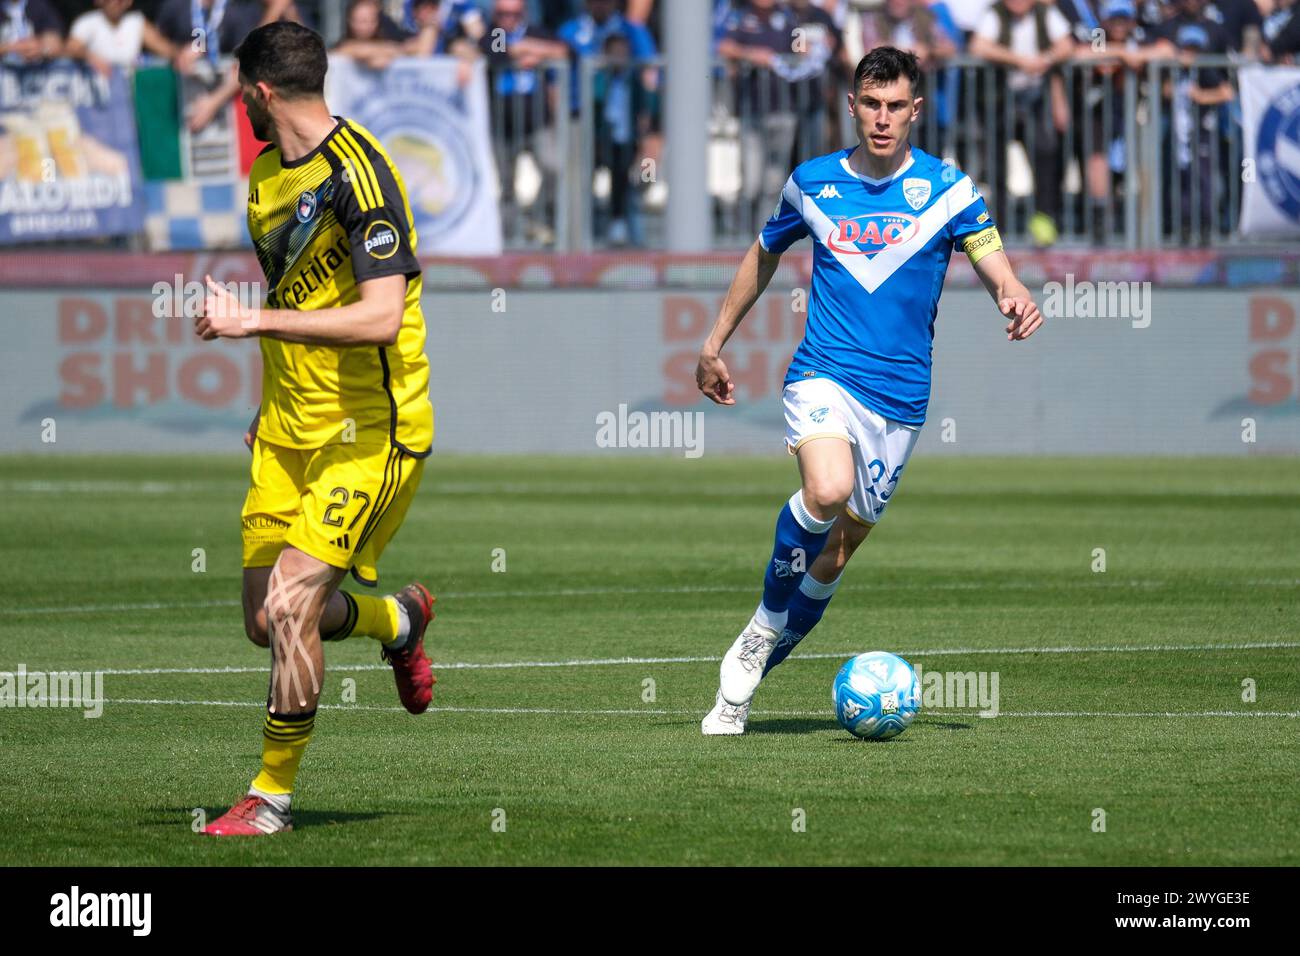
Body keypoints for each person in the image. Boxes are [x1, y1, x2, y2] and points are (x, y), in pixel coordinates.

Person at [695, 47, 1044, 735]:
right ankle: (762, 627)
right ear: (851, 106)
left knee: (837, 550)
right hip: (824, 372)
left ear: (916, 110)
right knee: (825, 490)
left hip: (902, 399)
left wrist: (1012, 290)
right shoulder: (812, 183)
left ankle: (741, 691)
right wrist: (713, 342)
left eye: (895, 107)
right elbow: (763, 255)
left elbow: (991, 258)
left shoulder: (949, 189)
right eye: (870, 105)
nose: (881, 119)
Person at [193, 21, 437, 835]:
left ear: (261, 90)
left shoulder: (363, 177)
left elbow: (375, 318)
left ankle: (270, 799)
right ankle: (394, 620)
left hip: (371, 437)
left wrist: (250, 324)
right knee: (265, 622)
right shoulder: (266, 175)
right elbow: (308, 299)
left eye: (241, 90)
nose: (241, 104)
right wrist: (269, 409)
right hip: (287, 437)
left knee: (294, 607)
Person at [66, 0, 179, 75]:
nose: (114, 3)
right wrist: (91, 57)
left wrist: (187, 53)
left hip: (127, 89)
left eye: (119, 1)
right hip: (95, 88)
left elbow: (166, 49)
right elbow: (70, 48)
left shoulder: (136, 21)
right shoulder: (86, 22)